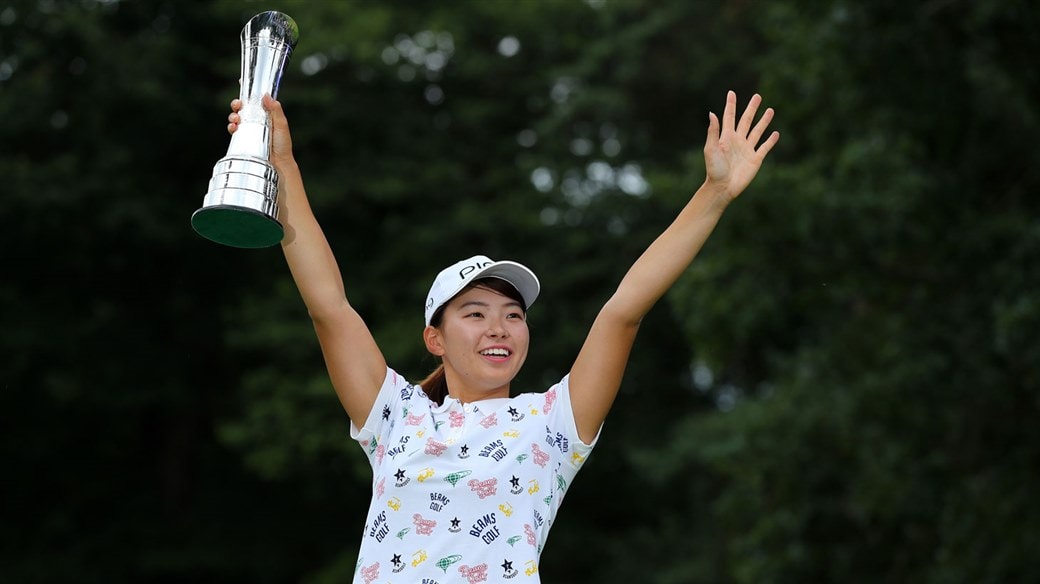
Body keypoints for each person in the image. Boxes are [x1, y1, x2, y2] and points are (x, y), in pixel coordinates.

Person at [227, 89, 778, 583]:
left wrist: (714, 194)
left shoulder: (552, 425)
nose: (499, 328)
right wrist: (281, 162)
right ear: (434, 339)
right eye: (474, 313)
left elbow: (622, 313)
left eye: (513, 315)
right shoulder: (398, 415)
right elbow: (329, 306)